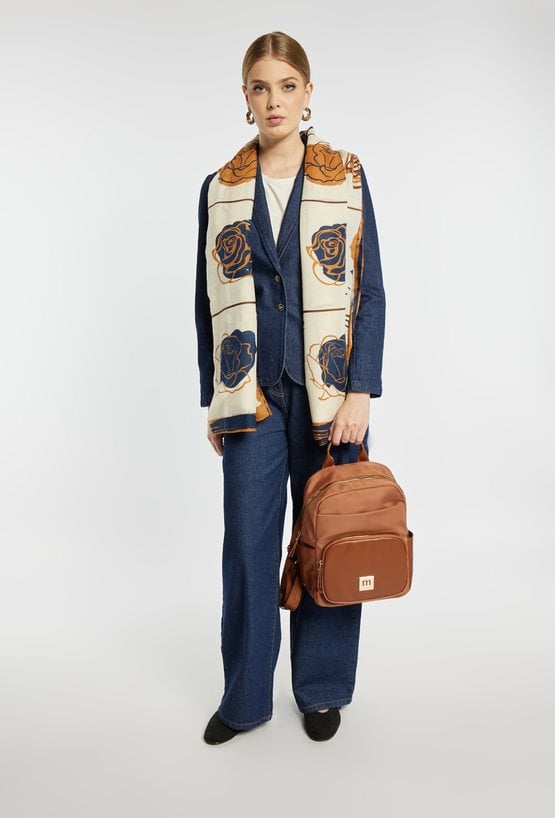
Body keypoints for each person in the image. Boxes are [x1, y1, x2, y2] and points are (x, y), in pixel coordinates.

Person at [194, 31, 386, 744]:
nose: (273, 100)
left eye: (286, 85)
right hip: (250, 392)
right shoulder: (219, 188)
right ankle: (244, 699)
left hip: (331, 394)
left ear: (307, 94)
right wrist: (212, 396)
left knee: (329, 537)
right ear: (245, 98)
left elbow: (371, 290)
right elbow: (205, 302)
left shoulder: (346, 176)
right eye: (259, 87)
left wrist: (361, 389)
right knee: (247, 548)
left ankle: (323, 689)